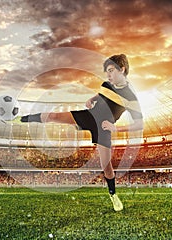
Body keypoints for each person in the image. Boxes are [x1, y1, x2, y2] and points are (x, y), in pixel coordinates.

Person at [20, 54, 143, 211]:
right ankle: (22, 119)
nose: (108, 75)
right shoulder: (106, 84)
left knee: (106, 166)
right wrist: (91, 99)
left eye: (111, 70)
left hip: (103, 128)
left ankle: (113, 194)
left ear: (122, 69)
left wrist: (116, 128)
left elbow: (139, 124)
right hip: (88, 116)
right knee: (54, 116)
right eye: (107, 71)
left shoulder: (131, 98)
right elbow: (102, 94)